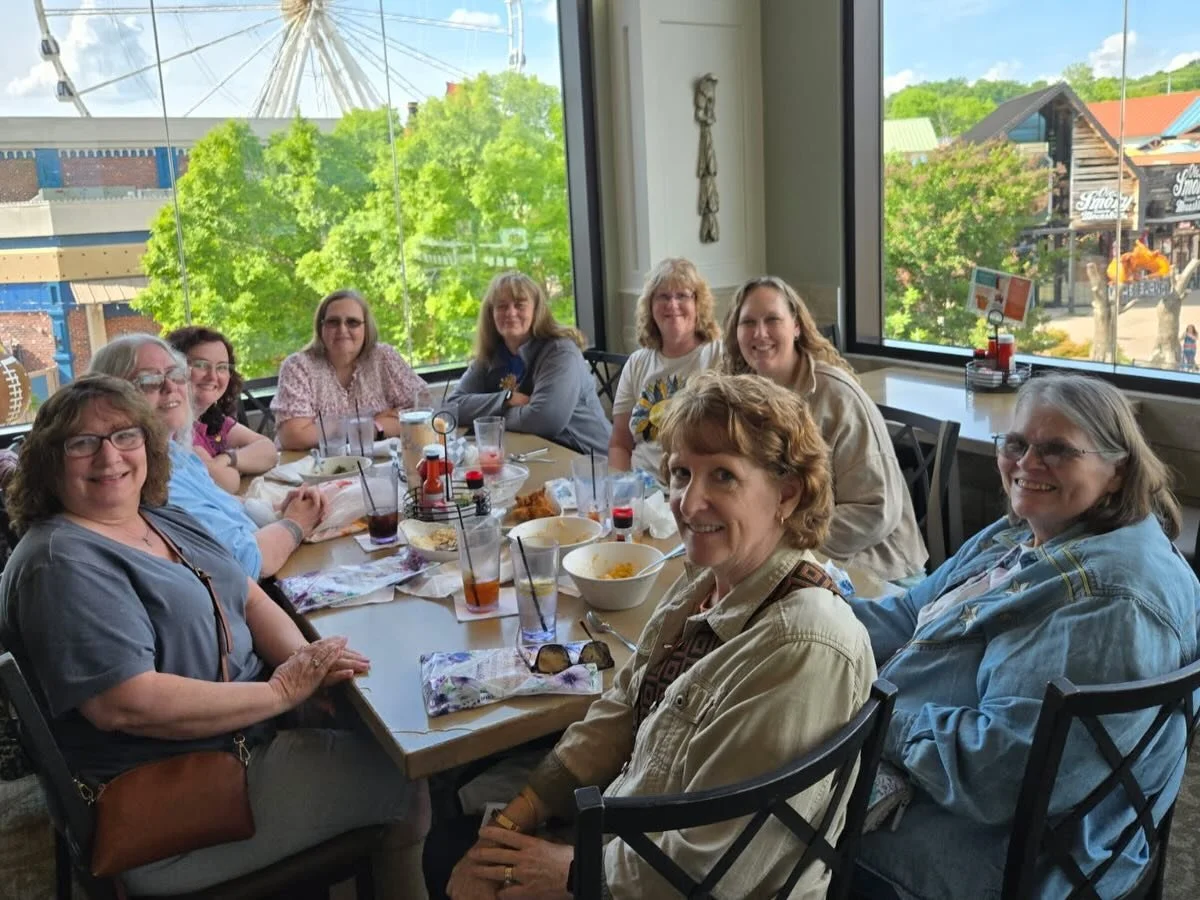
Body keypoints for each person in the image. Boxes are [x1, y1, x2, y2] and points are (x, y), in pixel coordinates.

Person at [447, 373, 876, 899]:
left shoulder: (803, 646)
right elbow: (623, 706)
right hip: (625, 835)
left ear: (787, 493)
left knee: (449, 854)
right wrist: (520, 816)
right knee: (457, 837)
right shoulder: (706, 583)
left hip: (659, 882)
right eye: (680, 474)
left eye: (723, 476)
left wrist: (569, 873)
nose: (688, 504)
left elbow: (715, 864)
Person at [0, 375, 428, 898]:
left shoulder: (157, 516)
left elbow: (245, 592)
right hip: (180, 799)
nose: (109, 457)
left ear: (149, 445)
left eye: (125, 436)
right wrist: (280, 693)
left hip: (243, 739)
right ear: (49, 461)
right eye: (82, 443)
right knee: (409, 779)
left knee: (373, 723)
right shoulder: (61, 562)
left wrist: (309, 665)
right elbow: (126, 705)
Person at [849, 374, 1200, 900]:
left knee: (760, 817)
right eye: (1016, 444)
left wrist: (871, 715)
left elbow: (995, 777)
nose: (1027, 465)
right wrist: (809, 607)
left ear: (1116, 469)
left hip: (1009, 857)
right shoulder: (1025, 531)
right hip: (944, 783)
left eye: (1057, 450)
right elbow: (907, 614)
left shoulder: (1107, 603)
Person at [723, 275, 926, 581]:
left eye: (772, 319)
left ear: (796, 327)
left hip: (880, 575)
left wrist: (781, 533)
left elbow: (876, 511)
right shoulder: (744, 398)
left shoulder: (837, 396)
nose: (760, 333)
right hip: (790, 558)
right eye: (748, 322)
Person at [89, 334, 326, 580]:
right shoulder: (146, 479)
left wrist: (279, 509)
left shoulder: (175, 453)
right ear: (112, 398)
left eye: (175, 374)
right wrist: (296, 523)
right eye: (149, 380)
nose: (170, 387)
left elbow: (228, 502)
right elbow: (248, 562)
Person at [446, 272, 611, 455]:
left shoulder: (560, 352)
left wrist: (490, 419)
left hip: (589, 460)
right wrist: (507, 399)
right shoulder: (490, 355)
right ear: (491, 314)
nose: (510, 313)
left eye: (519, 305)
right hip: (534, 453)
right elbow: (451, 408)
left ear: (536, 311)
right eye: (501, 306)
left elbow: (545, 421)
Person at [273, 289, 429, 451]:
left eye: (352, 322)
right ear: (321, 328)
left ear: (366, 327)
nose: (342, 329)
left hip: (378, 462)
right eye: (333, 322)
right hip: (311, 469)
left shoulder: (384, 357)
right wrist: (369, 424)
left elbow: (421, 413)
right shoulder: (297, 366)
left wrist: (325, 428)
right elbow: (294, 437)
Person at [608, 258, 722, 475]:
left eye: (682, 295)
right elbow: (619, 444)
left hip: (696, 489)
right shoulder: (637, 363)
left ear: (699, 304)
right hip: (641, 489)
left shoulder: (719, 355)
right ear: (650, 307)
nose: (672, 304)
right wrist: (622, 489)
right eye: (663, 296)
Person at [166, 325, 277, 494]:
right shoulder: (170, 430)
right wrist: (229, 468)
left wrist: (226, 458)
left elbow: (268, 450)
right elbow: (227, 484)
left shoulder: (212, 420)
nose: (213, 376)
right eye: (201, 365)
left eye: (222, 367)